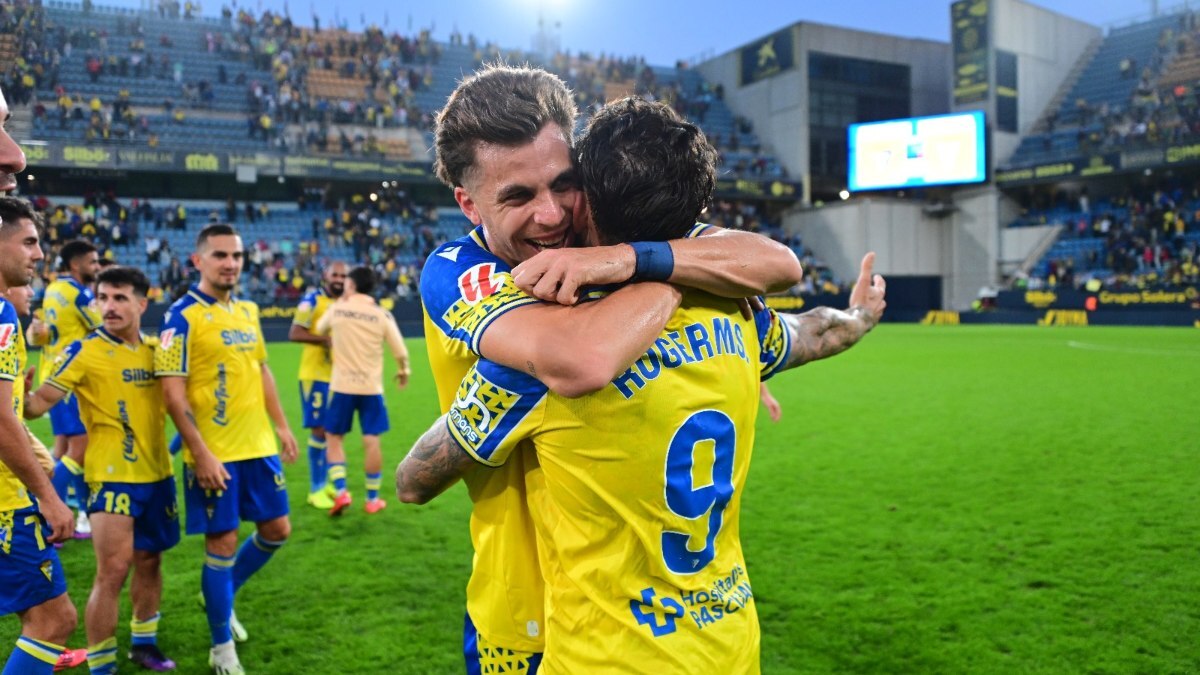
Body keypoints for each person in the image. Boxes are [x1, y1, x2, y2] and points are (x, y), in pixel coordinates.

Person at [398, 97, 886, 671]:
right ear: (468, 204)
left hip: (589, 639)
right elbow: (803, 320)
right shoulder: (722, 300)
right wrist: (854, 317)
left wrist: (639, 263)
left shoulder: (544, 356)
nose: (552, 215)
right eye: (518, 196)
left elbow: (415, 480)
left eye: (565, 185)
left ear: (592, 187)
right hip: (663, 626)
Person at [155, 223, 299, 675]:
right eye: (220, 255)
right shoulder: (180, 316)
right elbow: (172, 395)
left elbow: (262, 371)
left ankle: (222, 595)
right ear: (197, 260)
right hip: (214, 454)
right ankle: (221, 648)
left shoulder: (248, 311)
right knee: (222, 543)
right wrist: (199, 453)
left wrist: (281, 425)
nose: (231, 263)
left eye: (236, 256)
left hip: (258, 447)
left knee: (277, 529)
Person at [25, 266, 179, 674]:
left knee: (151, 563)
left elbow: (182, 404)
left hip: (159, 476)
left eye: (120, 298)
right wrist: (18, 393)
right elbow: (38, 403)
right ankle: (102, 665)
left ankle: (144, 644)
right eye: (103, 298)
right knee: (111, 572)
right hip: (111, 477)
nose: (108, 307)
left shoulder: (154, 351)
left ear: (142, 304)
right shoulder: (84, 350)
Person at [0, 195, 80, 675]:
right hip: (5, 501)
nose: (39, 254)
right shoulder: (1, 315)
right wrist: (48, 496)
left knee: (40, 613)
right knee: (54, 619)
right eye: (29, 242)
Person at [316, 266, 409, 516]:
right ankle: (372, 499)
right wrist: (404, 371)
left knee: (333, 438)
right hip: (371, 387)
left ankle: (342, 491)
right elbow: (400, 352)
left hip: (342, 385)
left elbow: (320, 329)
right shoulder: (381, 315)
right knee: (371, 441)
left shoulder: (337, 308)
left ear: (351, 285)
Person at [30, 239, 101, 539]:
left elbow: (41, 336)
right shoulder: (79, 294)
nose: (96, 267)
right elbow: (106, 329)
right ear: (76, 264)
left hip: (51, 375)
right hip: (71, 381)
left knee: (60, 450)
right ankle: (46, 512)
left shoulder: (53, 290)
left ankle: (83, 515)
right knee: (81, 450)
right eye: (93, 262)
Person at [287, 260, 347, 510]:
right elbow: (295, 333)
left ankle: (327, 483)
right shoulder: (311, 300)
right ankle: (316, 488)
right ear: (325, 276)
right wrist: (326, 340)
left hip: (338, 377)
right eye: (335, 275)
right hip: (315, 376)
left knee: (332, 431)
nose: (339, 280)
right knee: (319, 431)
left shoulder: (345, 302)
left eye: (343, 276)